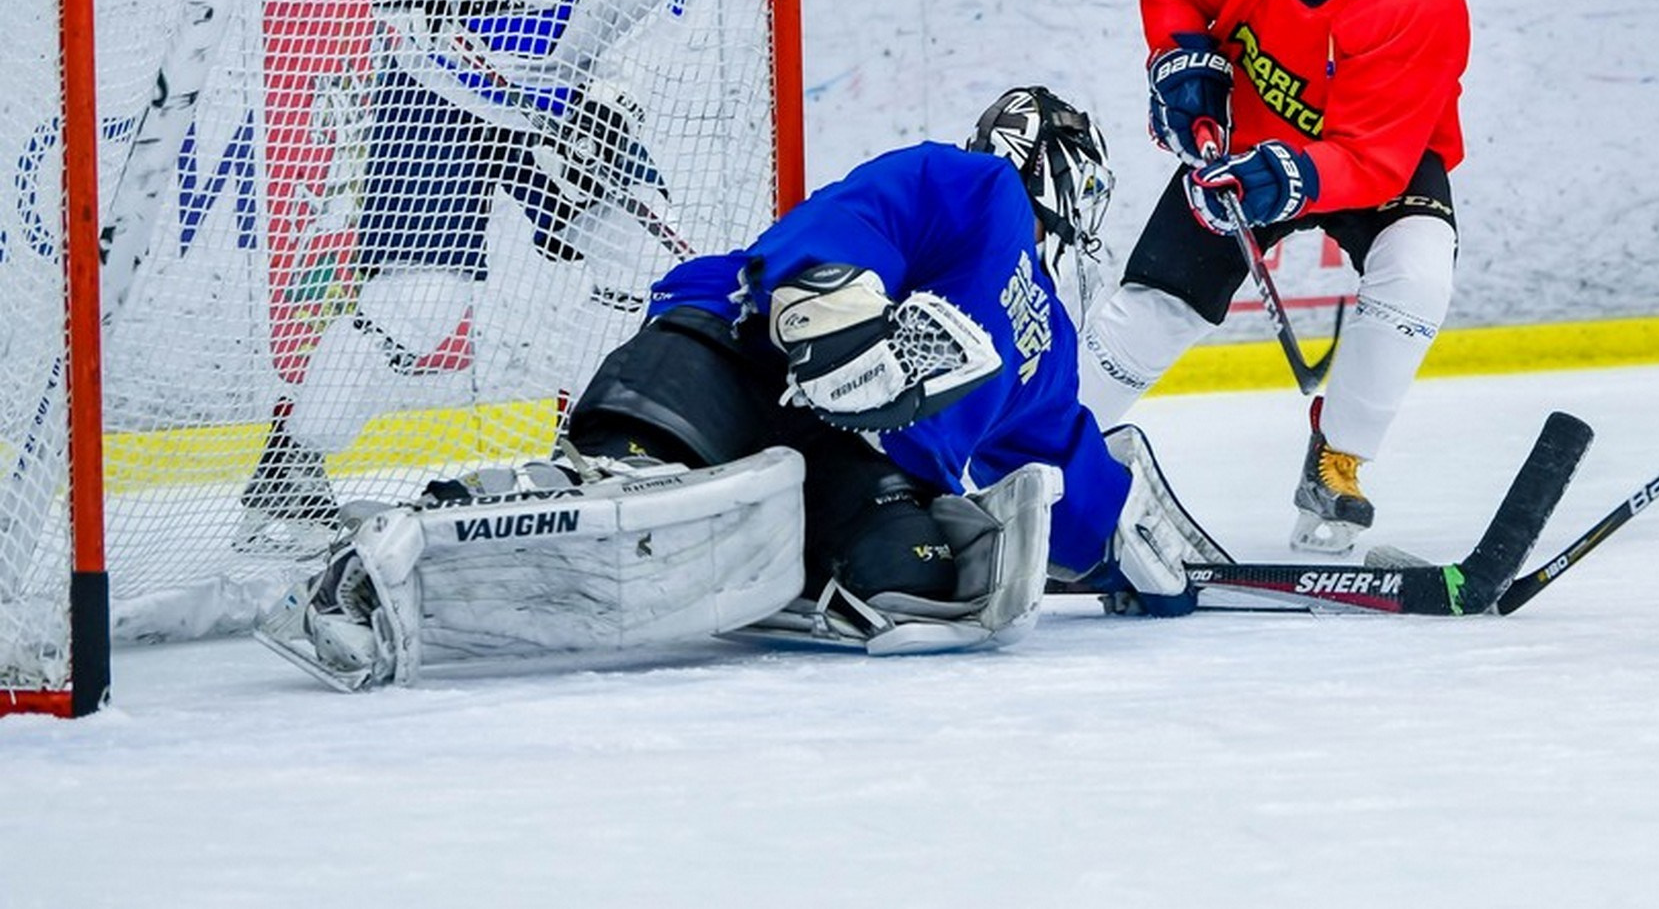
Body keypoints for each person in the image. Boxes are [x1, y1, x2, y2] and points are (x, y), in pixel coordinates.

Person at [256, 86, 1229, 690]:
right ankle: (435, 538)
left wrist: (1122, 551)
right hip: (733, 356)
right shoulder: (978, 192)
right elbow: (855, 217)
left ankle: (747, 549)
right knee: (626, 478)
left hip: (844, 457)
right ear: (1075, 188)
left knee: (911, 564)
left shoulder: (1049, 349)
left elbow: (1061, 477)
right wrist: (831, 305)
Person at [237, 0, 708, 546]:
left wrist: (613, 106)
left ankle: (590, 447)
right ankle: (288, 476)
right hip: (437, 91)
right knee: (421, 300)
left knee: (639, 258)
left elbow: (662, 30)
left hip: (566, 105)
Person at [1077, 0, 1471, 553]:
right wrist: (1181, 60)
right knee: (1153, 307)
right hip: (1248, 140)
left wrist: (1292, 177)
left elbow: (1374, 156)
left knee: (1417, 272)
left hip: (1378, 154)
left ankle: (1339, 460)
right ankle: (1033, 449)